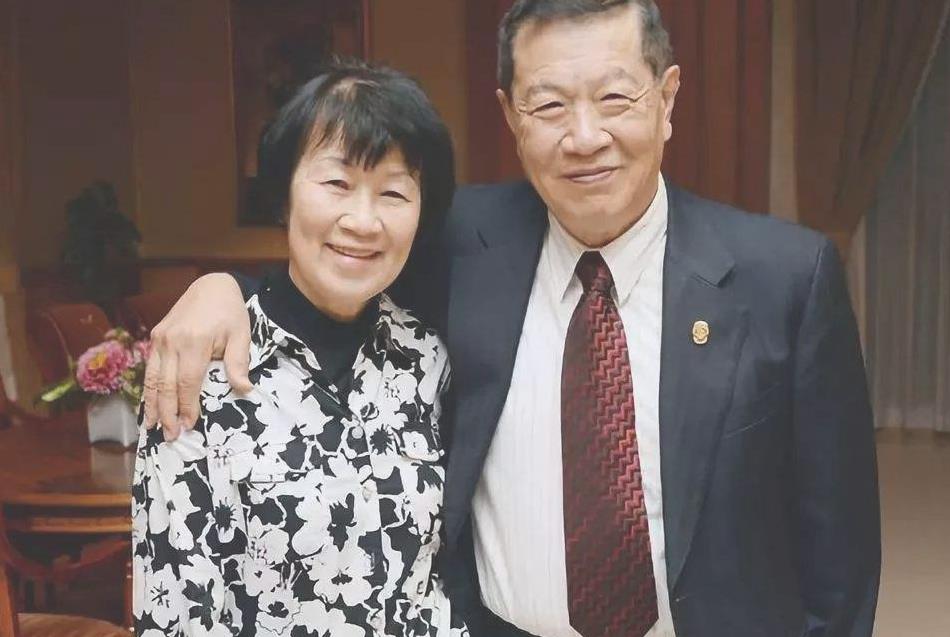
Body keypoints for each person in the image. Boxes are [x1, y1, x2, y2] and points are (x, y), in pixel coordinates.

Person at [142, 2, 881, 636]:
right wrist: (221, 286)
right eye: (549, 105)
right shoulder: (461, 240)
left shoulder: (786, 277)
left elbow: (839, 558)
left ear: (666, 97)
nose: (584, 136)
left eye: (614, 98)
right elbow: (342, 262)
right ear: (510, 116)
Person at [132, 60, 469, 636]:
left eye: (393, 192)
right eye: (336, 183)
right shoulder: (201, 368)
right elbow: (176, 611)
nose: (363, 221)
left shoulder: (429, 359)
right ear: (283, 194)